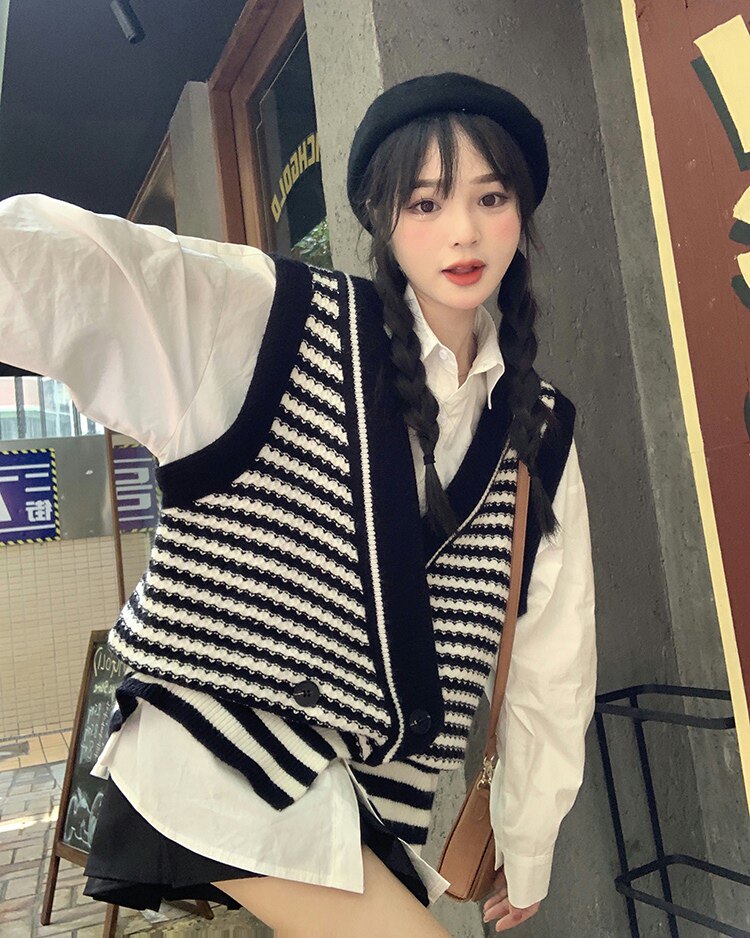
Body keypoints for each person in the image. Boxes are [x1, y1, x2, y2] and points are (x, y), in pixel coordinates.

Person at [0, 72, 597, 936]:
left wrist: (528, 838)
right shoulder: (276, 319)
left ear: (521, 215)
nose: (463, 231)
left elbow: (552, 656)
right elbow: (94, 272)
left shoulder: (541, 432)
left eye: (491, 198)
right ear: (382, 219)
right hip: (225, 750)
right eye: (426, 202)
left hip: (371, 810)